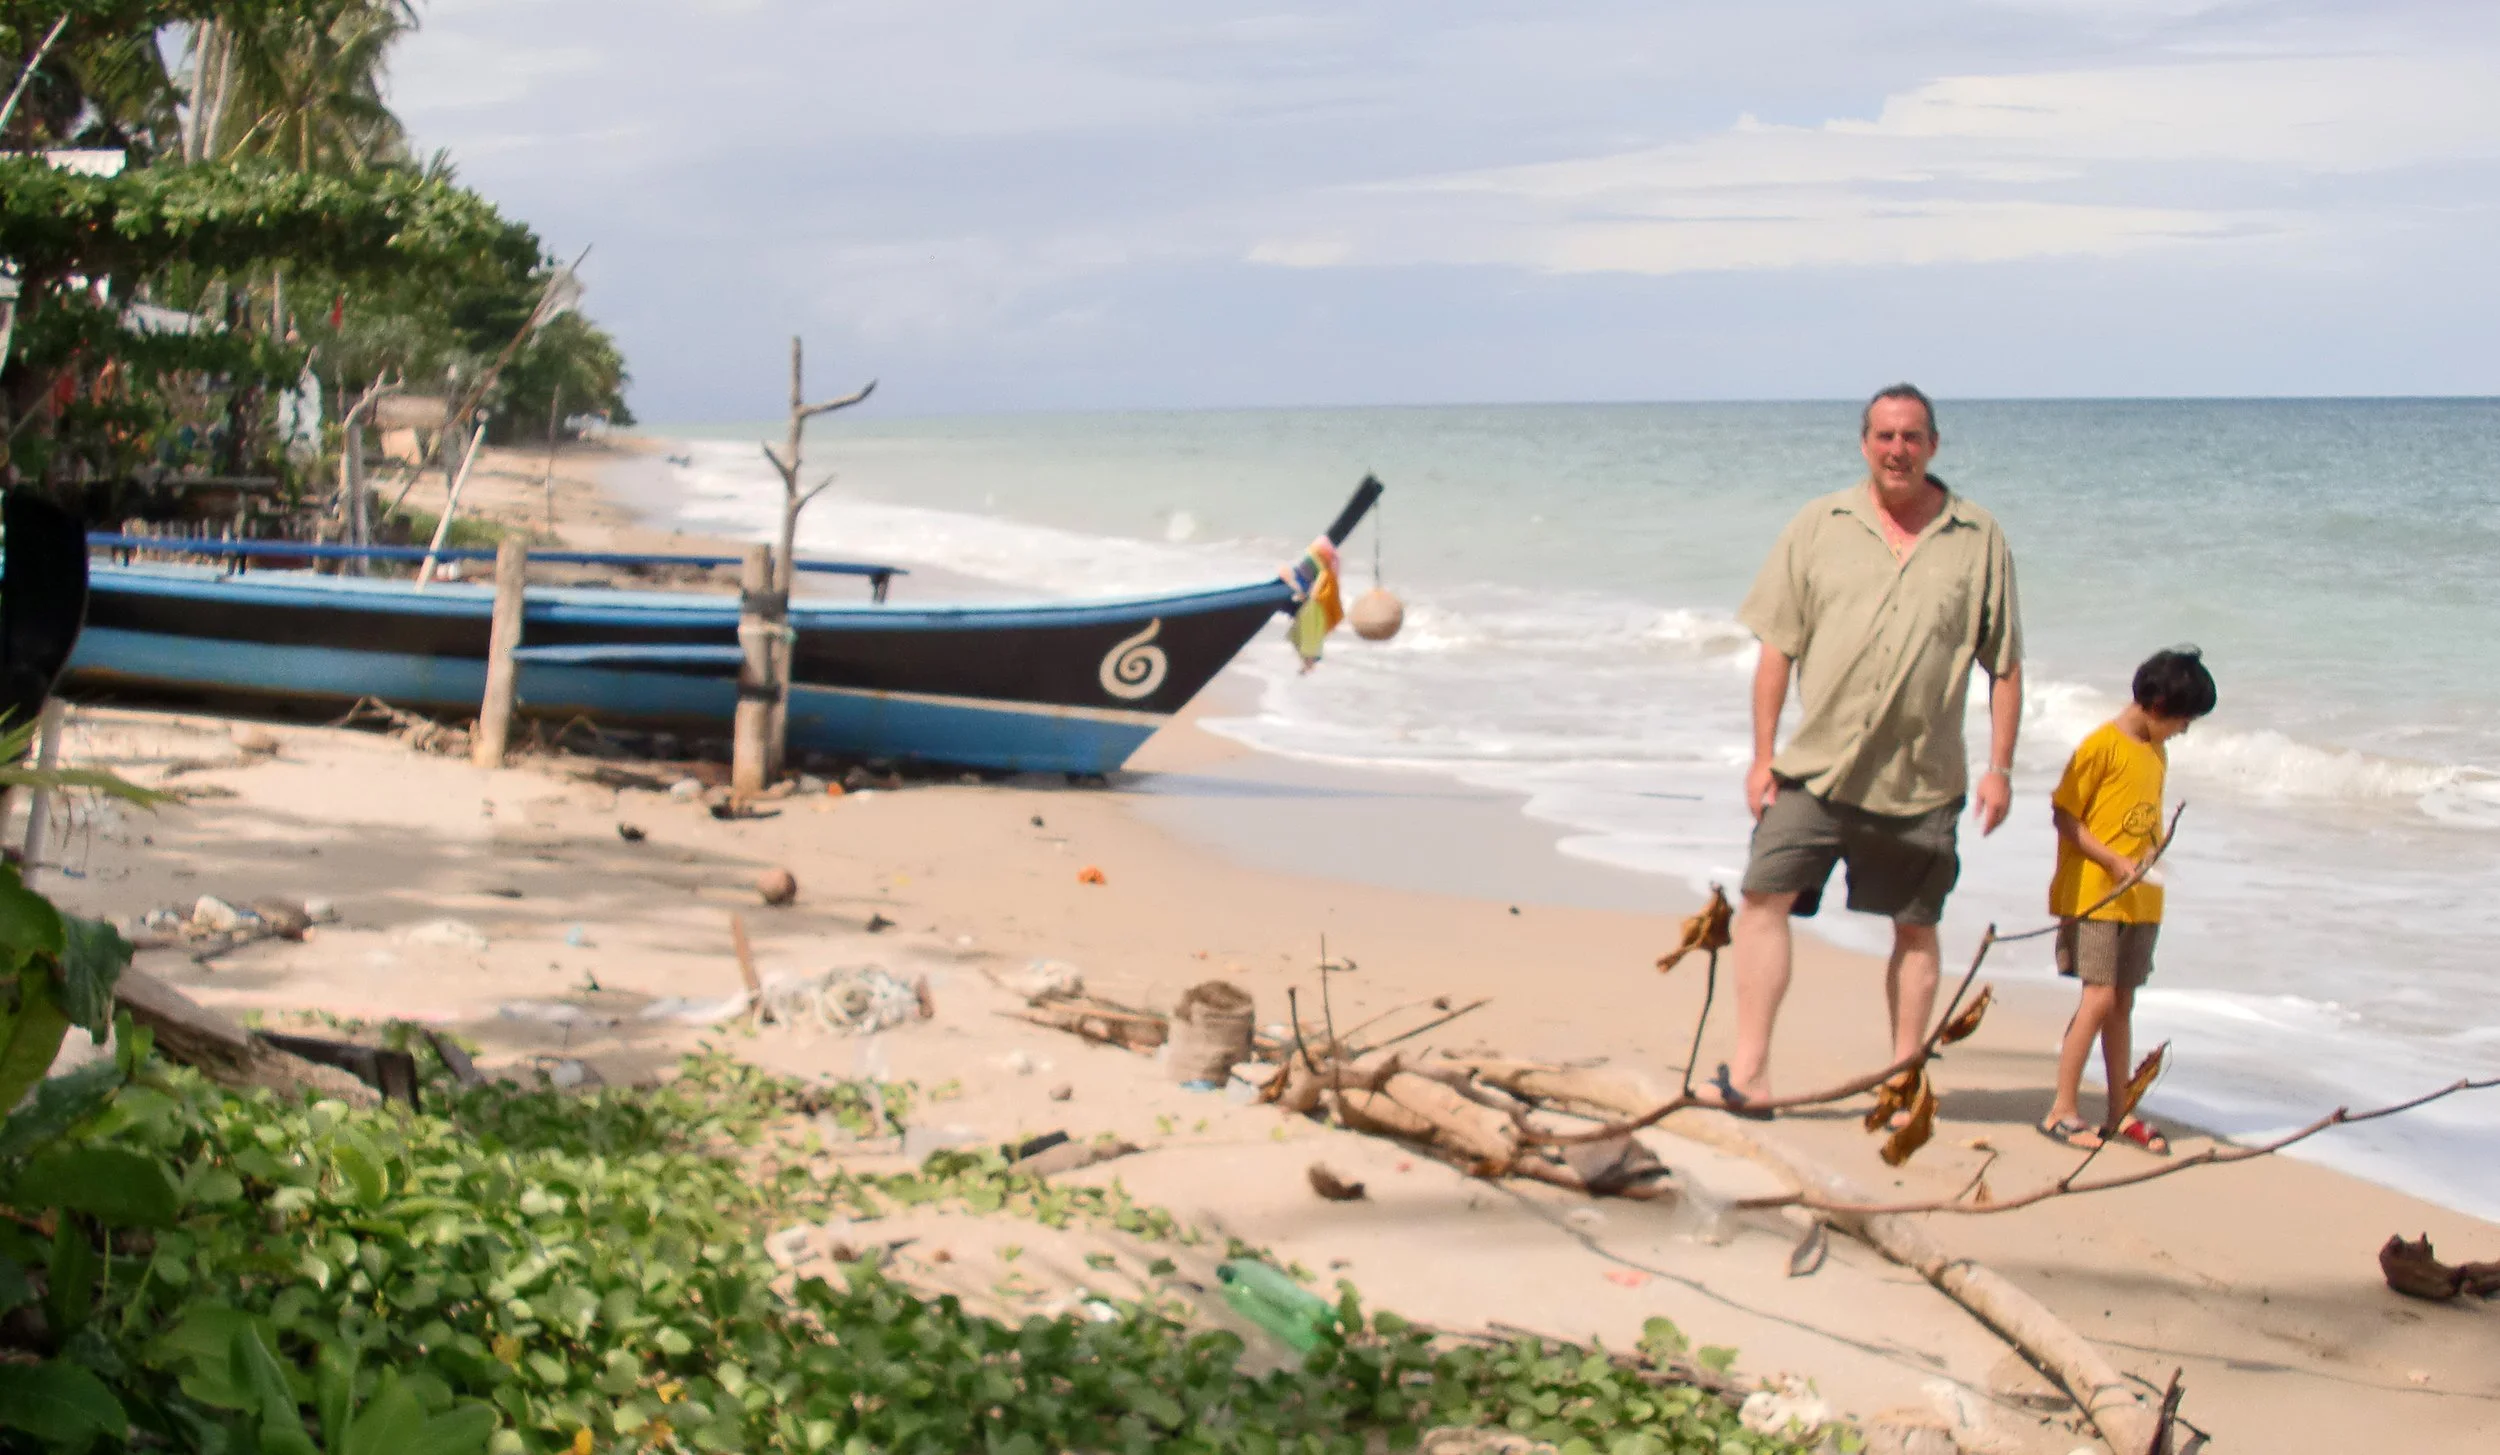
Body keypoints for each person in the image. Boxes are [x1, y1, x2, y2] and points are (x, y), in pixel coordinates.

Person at [1712, 384, 2024, 1117]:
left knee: (1916, 927)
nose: (1897, 449)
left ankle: (1900, 1077)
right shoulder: (1820, 524)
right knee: (1762, 898)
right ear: (1864, 443)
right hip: (1815, 770)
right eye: (1884, 435)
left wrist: (2000, 769)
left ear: (1934, 446)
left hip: (1922, 780)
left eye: (1912, 436)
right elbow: (1776, 647)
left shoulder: (1978, 538)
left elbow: (2003, 665)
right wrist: (1761, 755)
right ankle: (1751, 1074)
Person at [2038, 647, 2217, 1154]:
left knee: (2122, 1004)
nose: (2184, 730)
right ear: (2157, 704)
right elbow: (2064, 817)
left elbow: (2140, 822)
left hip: (2139, 900)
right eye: (2183, 719)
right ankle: (2062, 1110)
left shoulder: (2156, 752)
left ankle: (2121, 1109)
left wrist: (2152, 859)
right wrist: (2114, 862)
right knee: (2096, 999)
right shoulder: (2101, 746)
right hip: (2096, 895)